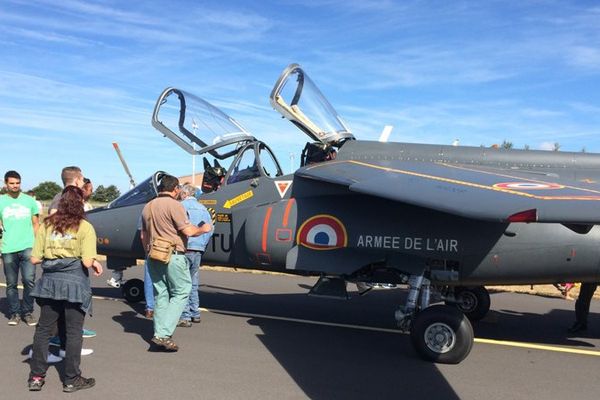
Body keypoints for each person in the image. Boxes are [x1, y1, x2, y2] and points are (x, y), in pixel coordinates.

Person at [27, 186, 103, 392]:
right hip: (74, 285)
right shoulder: (85, 227)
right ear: (80, 204)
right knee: (73, 332)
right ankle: (71, 378)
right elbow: (86, 262)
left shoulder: (47, 225)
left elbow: (34, 258)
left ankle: (36, 377)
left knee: (43, 330)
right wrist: (94, 261)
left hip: (50, 284)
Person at [141, 175, 211, 351]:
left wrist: (148, 252)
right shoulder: (175, 206)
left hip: (153, 254)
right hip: (173, 254)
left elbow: (144, 235)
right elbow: (187, 230)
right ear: (176, 189)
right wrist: (203, 229)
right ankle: (164, 334)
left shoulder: (148, 206)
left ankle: (159, 333)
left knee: (161, 294)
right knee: (182, 291)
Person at [0, 170, 40, 326]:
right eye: (12, 183)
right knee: (11, 283)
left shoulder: (29, 201)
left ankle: (28, 312)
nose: (15, 186)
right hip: (9, 247)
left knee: (29, 280)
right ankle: (15, 313)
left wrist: (37, 244)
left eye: (17, 183)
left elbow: (36, 223)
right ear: (6, 184)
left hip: (28, 246)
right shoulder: (1, 201)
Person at [177, 184, 214, 327]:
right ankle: (195, 313)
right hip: (198, 249)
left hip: (185, 248)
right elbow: (209, 229)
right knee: (193, 282)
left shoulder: (181, 206)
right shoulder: (203, 208)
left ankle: (184, 316)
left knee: (182, 283)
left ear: (184, 194)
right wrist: (201, 244)